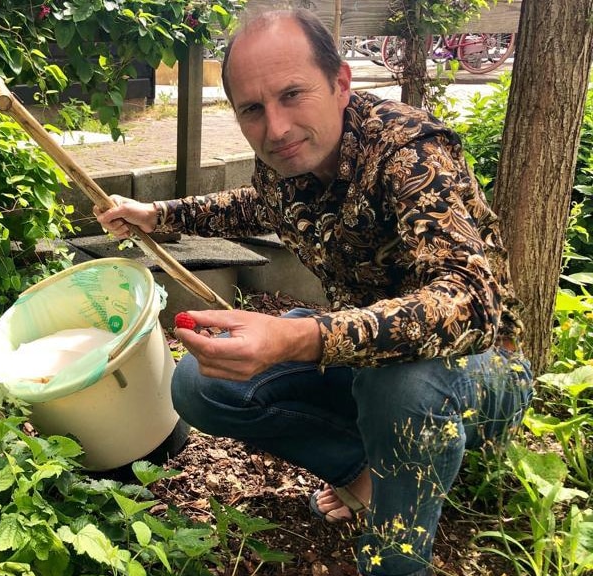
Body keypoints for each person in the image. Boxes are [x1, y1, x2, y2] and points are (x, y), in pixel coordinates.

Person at [95, 8, 532, 576]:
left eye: (293, 94)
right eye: (253, 109)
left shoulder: (409, 153)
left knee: (400, 383)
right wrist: (158, 214)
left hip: (481, 372)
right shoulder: (287, 160)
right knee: (199, 385)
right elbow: (257, 205)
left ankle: (394, 558)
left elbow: (473, 301)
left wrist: (300, 337)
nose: (275, 128)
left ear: (342, 83)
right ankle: (367, 472)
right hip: (365, 365)